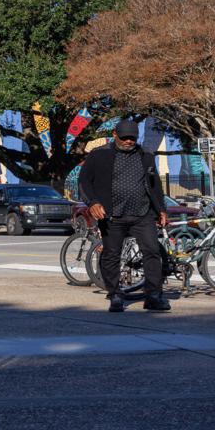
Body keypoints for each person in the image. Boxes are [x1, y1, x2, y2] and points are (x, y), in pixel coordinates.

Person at [77, 119, 170, 312]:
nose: (128, 141)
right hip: (113, 215)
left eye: (132, 138)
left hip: (143, 213)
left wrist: (161, 209)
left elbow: (155, 185)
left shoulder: (146, 155)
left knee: (152, 251)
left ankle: (153, 295)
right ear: (114, 135)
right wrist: (92, 202)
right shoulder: (99, 155)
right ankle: (115, 295)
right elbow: (84, 181)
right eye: (124, 137)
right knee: (111, 255)